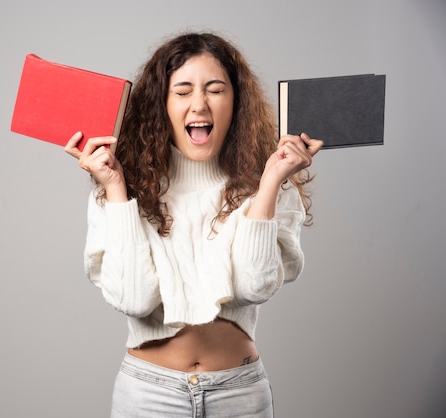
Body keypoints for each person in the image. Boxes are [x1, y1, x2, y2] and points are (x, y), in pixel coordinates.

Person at [65, 31, 323, 418]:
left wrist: (270, 181)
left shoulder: (269, 186)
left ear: (236, 102)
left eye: (215, 90)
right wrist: (117, 188)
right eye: (182, 91)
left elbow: (253, 286)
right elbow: (133, 299)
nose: (199, 104)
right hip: (148, 395)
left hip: (239, 395)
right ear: (161, 104)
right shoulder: (118, 187)